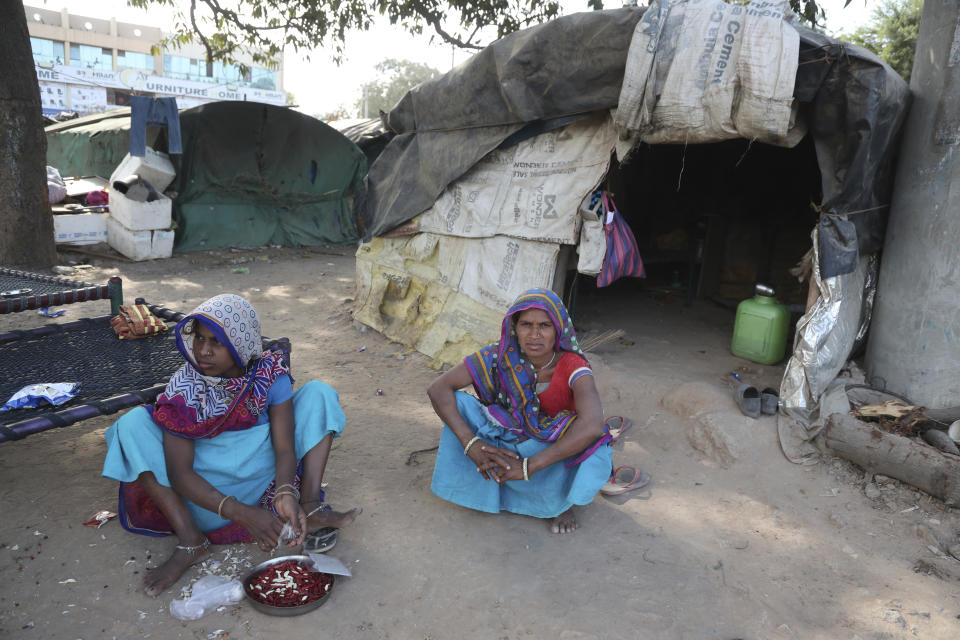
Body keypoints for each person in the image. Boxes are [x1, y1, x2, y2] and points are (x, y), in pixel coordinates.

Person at [102, 294, 360, 596]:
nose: (203, 351)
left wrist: (285, 490)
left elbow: (285, 448)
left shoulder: (268, 374)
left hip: (266, 486)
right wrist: (242, 513)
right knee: (131, 424)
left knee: (318, 393)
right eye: (199, 339)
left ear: (240, 342)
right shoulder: (184, 389)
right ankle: (191, 540)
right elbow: (180, 474)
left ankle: (308, 505)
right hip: (208, 500)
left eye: (216, 342)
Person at [427, 288, 613, 534]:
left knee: (591, 444)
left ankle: (558, 503)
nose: (534, 335)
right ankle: (492, 488)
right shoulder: (499, 355)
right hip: (503, 438)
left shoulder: (572, 366)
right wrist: (470, 443)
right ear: (514, 327)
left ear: (558, 329)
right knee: (459, 404)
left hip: (544, 449)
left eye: (545, 325)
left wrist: (529, 466)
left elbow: (592, 425)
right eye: (526, 324)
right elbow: (438, 388)